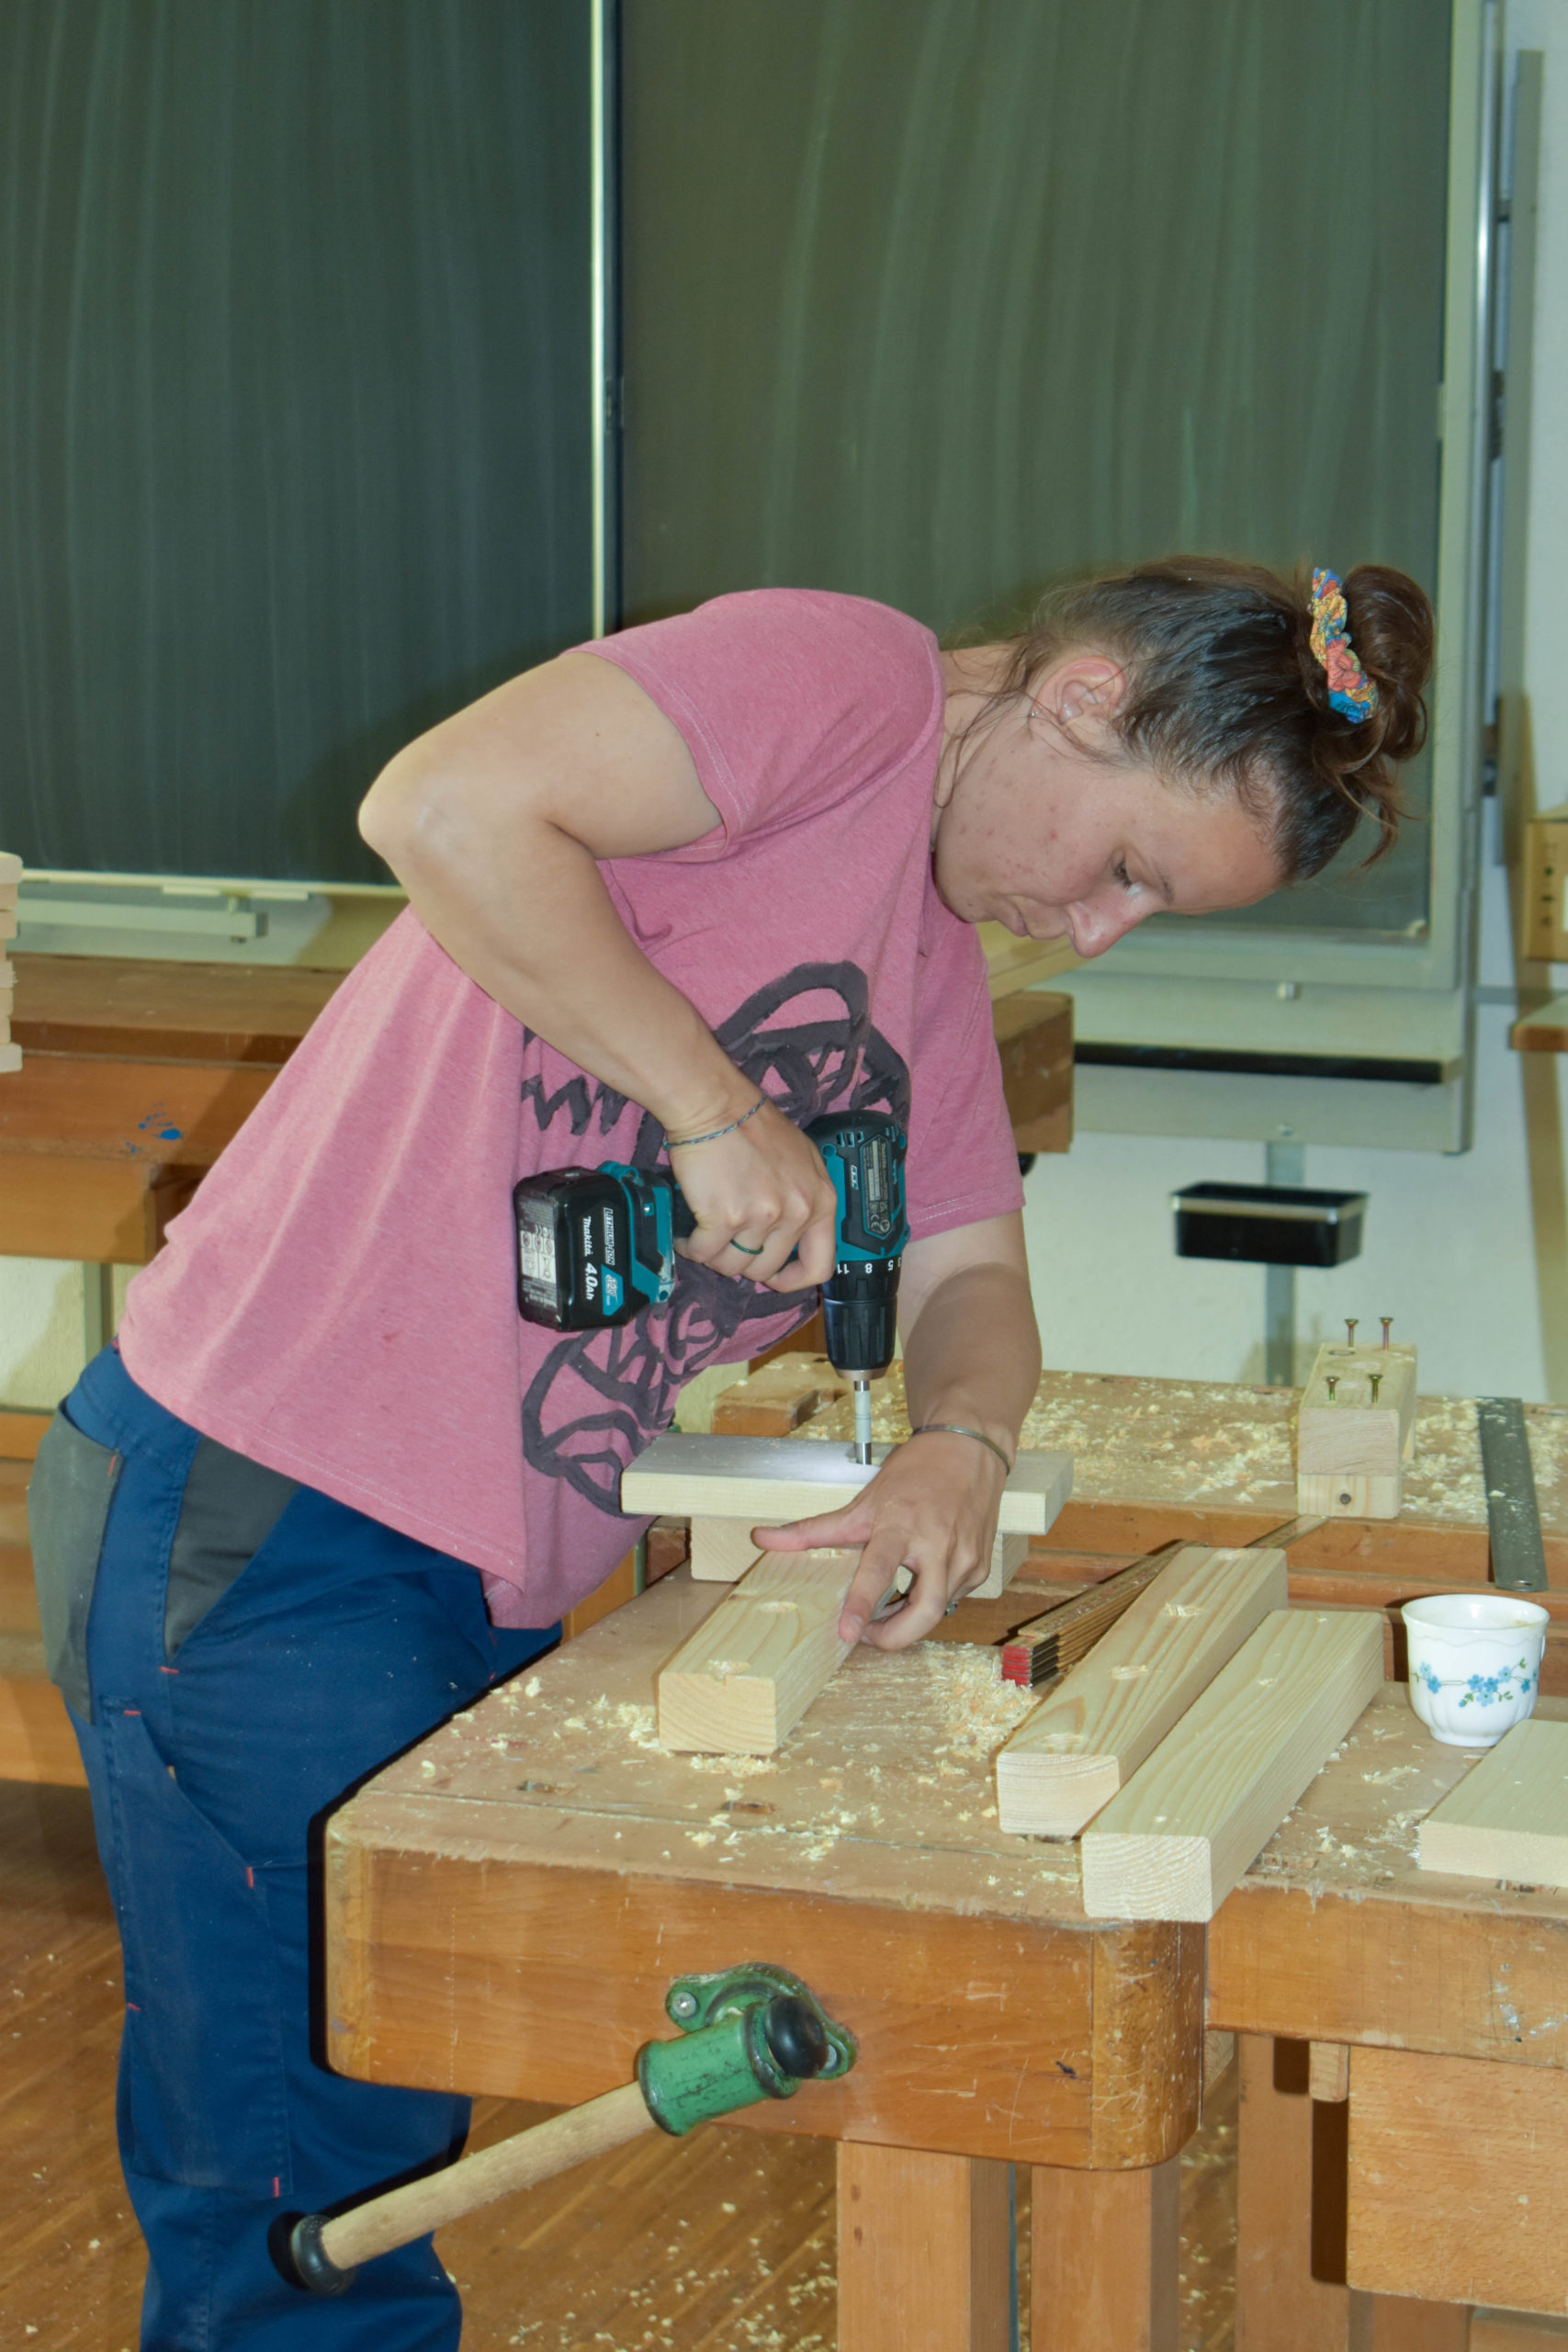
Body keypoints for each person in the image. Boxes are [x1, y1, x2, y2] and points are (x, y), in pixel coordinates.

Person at [28, 555, 1433, 2346]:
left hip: (457, 1556)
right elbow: (444, 805)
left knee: (374, 2120)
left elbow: (972, 1276)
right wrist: (711, 1106)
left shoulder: (927, 954)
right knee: (302, 2193)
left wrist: (960, 1443)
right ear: (1082, 699)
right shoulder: (841, 681)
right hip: (272, 1497)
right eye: (1127, 870)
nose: (1095, 931)